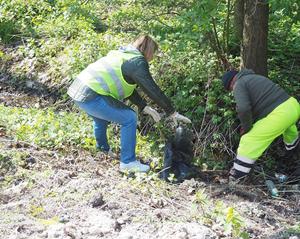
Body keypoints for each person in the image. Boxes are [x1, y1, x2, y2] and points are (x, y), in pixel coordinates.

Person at [67, 35, 191, 173]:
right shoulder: (137, 62)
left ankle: (102, 150)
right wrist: (171, 111)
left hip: (77, 90)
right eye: (153, 53)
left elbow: (128, 89)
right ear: (148, 50)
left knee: (101, 118)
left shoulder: (123, 54)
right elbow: (151, 89)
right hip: (91, 95)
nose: (153, 57)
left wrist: (144, 107)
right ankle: (128, 162)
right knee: (129, 118)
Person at [221, 69, 300, 181]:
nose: (232, 91)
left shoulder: (239, 84)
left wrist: (247, 127)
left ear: (231, 83)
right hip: (293, 106)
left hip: (281, 113)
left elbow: (243, 109)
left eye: (230, 89)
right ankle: (294, 163)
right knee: (291, 137)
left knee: (249, 140)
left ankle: (236, 178)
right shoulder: (256, 77)